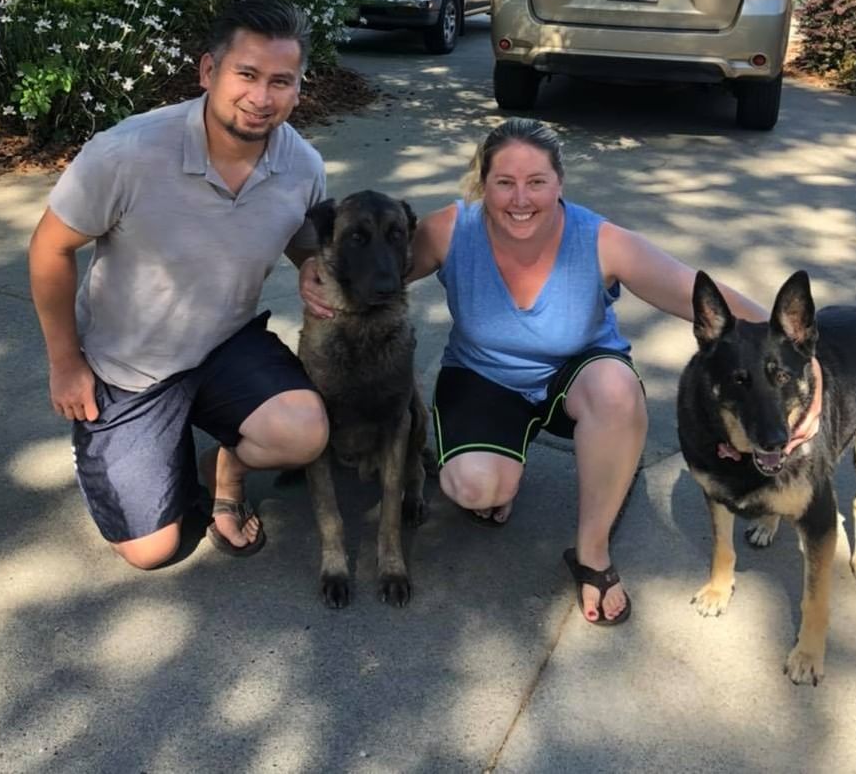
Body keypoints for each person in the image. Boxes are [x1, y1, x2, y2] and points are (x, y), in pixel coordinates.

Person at [300, 117, 765, 625]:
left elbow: (696, 294)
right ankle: (504, 471)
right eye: (504, 182)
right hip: (485, 377)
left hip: (576, 379)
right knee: (474, 488)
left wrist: (798, 350)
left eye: (536, 182)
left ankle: (593, 554)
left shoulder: (599, 240)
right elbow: (369, 267)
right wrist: (313, 271)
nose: (520, 199)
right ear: (484, 184)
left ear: (559, 183)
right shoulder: (453, 230)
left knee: (615, 390)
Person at [28, 0, 330, 569]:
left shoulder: (303, 166)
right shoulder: (127, 153)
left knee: (303, 432)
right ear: (209, 71)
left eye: (281, 81)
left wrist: (311, 265)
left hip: (225, 346)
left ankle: (226, 474)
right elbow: (50, 248)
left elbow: (299, 236)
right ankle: (126, 450)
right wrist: (66, 363)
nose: (261, 97)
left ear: (297, 87)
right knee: (151, 551)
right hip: (128, 369)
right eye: (247, 74)